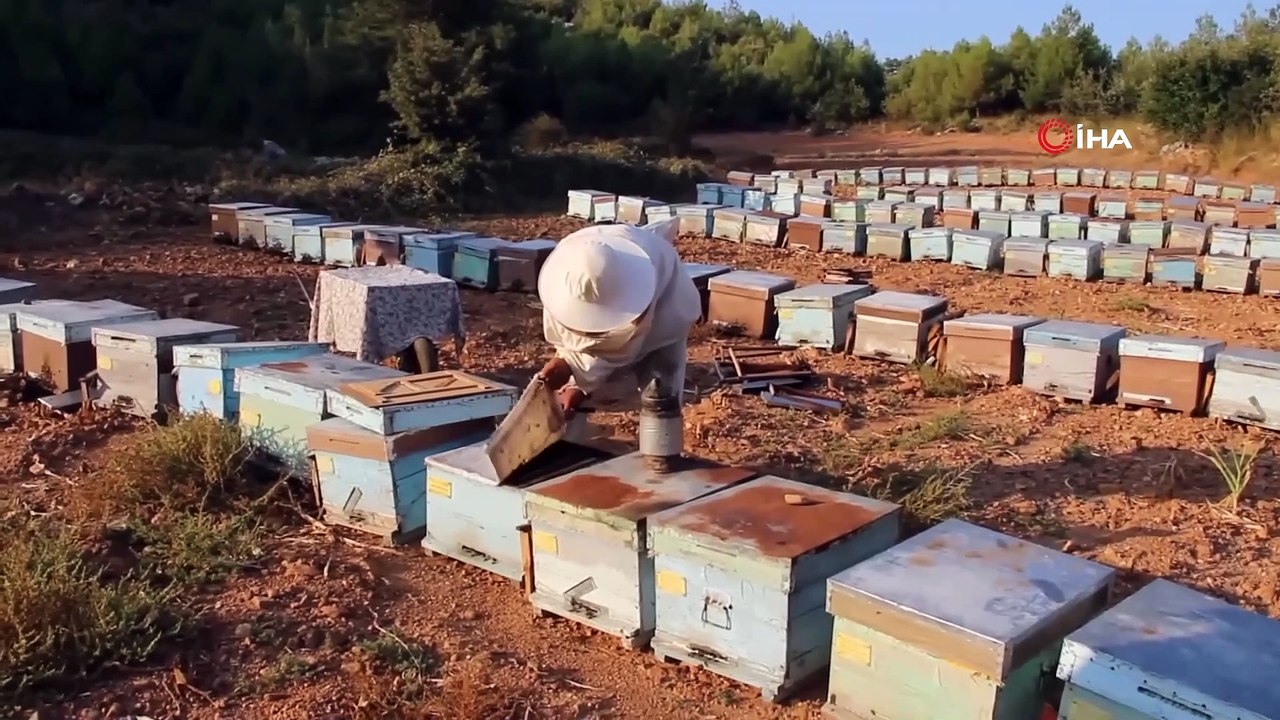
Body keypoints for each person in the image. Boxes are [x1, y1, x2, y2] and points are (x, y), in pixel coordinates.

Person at [535, 218, 700, 439]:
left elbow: (623, 345)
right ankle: (568, 445)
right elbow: (574, 337)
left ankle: (662, 454)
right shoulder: (569, 265)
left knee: (661, 391)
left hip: (665, 318)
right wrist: (565, 362)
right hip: (623, 290)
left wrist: (576, 377)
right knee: (573, 399)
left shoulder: (643, 287)